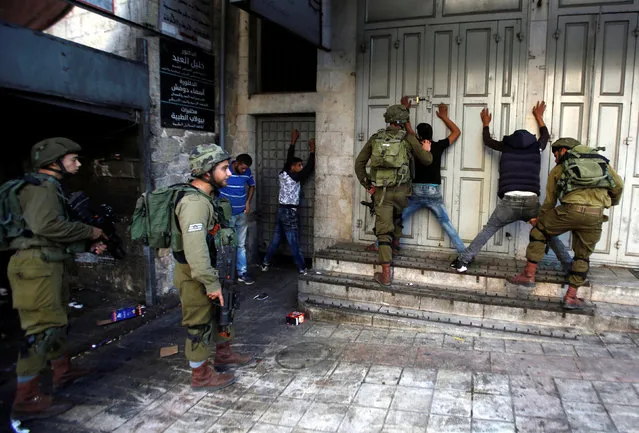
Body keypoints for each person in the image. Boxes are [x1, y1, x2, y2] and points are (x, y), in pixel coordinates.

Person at [7, 138, 107, 420]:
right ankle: (26, 399)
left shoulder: (46, 187)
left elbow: (44, 234)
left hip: (48, 262)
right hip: (37, 266)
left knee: (57, 319)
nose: (78, 164)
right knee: (41, 329)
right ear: (53, 162)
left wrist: (85, 244)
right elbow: (46, 226)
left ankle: (62, 371)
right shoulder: (44, 188)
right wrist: (90, 233)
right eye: (73, 159)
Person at [450, 102, 573, 273]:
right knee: (549, 233)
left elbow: (487, 141)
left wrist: (486, 124)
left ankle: (463, 262)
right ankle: (570, 266)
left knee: (488, 230)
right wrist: (539, 116)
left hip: (509, 201)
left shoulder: (506, 146)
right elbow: (545, 135)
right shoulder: (536, 147)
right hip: (531, 202)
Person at [172, 143, 254, 390]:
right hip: (196, 274)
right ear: (206, 173)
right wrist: (210, 283)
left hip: (213, 270)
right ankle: (201, 376)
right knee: (198, 324)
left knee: (223, 313)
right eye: (222, 168)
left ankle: (224, 353)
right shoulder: (194, 204)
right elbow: (195, 250)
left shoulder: (208, 198)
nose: (229, 173)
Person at [508, 138, 623, 309]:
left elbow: (550, 201)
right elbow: (618, 186)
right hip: (595, 215)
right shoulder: (601, 163)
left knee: (539, 232)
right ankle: (571, 296)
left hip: (569, 211)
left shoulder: (561, 167)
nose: (555, 158)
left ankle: (529, 275)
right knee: (582, 256)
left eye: (556, 154)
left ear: (564, 150)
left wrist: (541, 219)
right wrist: (606, 203)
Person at [355, 104, 433, 286]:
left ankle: (385, 275)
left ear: (388, 120)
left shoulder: (376, 138)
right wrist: (427, 150)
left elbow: (359, 164)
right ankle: (394, 250)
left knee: (383, 232)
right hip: (403, 191)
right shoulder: (408, 138)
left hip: (382, 192)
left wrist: (369, 186)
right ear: (403, 121)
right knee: (396, 218)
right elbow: (427, 161)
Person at [402, 102, 465, 253]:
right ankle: (463, 251)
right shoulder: (438, 145)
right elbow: (456, 132)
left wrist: (405, 109)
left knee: (398, 219)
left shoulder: (415, 144)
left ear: (419, 135)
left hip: (416, 191)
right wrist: (444, 117)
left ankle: (379, 244)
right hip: (433, 190)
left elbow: (408, 129)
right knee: (445, 222)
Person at [261, 129, 316, 274]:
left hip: (281, 210)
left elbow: (288, 159)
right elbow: (310, 168)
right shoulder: (295, 177)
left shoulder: (284, 173)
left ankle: (265, 262)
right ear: (293, 167)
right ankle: (302, 267)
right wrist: (313, 151)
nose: (301, 167)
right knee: (294, 241)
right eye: (299, 165)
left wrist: (293, 141)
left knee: (276, 239)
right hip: (289, 212)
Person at [218, 153, 256, 285]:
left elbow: (252, 185)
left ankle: (242, 272)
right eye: (243, 168)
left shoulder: (247, 172)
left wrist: (248, 202)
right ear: (236, 163)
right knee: (227, 244)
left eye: (246, 169)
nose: (244, 171)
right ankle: (227, 274)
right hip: (228, 215)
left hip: (241, 213)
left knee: (241, 244)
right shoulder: (226, 171)